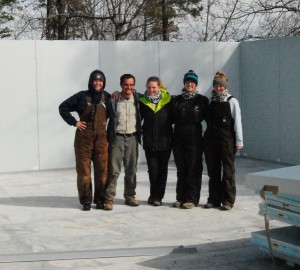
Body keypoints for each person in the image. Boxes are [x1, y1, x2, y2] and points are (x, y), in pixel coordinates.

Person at [59, 70, 110, 211]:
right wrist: (74, 122)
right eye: (95, 80)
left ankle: (100, 199)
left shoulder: (108, 97)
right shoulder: (82, 96)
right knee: (84, 172)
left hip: (101, 139)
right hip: (83, 139)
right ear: (91, 81)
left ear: (104, 83)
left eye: (100, 81)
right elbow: (63, 107)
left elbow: (117, 112)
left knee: (102, 171)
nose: (98, 83)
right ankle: (86, 200)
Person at [204, 71, 243, 211]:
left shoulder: (232, 101)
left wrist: (239, 142)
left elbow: (237, 122)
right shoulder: (210, 101)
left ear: (225, 86)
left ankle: (228, 200)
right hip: (211, 141)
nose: (218, 88)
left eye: (221, 86)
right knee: (213, 172)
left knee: (228, 172)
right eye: (216, 86)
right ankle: (213, 199)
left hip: (227, 141)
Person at [103, 74, 142, 211]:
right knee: (113, 170)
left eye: (131, 84)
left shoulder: (138, 99)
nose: (129, 87)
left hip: (132, 138)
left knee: (131, 169)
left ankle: (130, 196)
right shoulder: (113, 100)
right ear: (121, 85)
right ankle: (109, 198)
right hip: (117, 138)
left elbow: (154, 95)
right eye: (126, 84)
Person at [171, 70, 209, 209]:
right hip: (179, 138)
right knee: (181, 169)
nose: (190, 84)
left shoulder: (202, 100)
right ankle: (180, 197)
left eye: (193, 82)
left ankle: (192, 199)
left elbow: (209, 119)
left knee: (194, 168)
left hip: (194, 139)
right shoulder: (176, 100)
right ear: (184, 83)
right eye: (188, 82)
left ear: (196, 84)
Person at [139, 77, 173, 206]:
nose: (151, 90)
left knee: (162, 171)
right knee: (153, 171)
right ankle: (153, 194)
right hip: (149, 142)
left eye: (154, 87)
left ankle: (158, 197)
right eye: (149, 87)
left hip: (165, 142)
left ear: (159, 87)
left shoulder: (168, 100)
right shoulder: (142, 101)